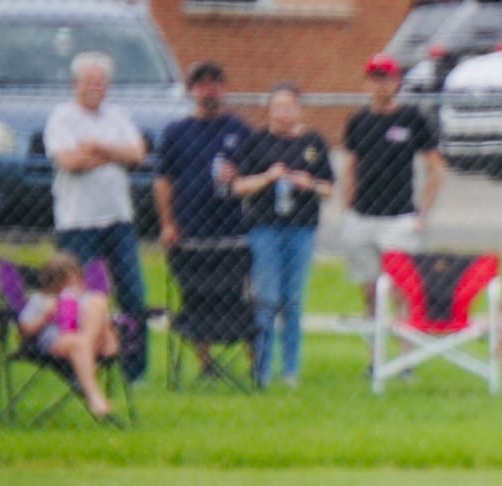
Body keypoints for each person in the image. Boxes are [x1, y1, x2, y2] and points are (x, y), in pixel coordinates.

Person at [43, 51, 148, 381]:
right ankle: (78, 363)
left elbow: (138, 155)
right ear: (76, 84)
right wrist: (115, 155)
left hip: (118, 221)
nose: (96, 88)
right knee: (77, 299)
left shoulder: (117, 116)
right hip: (77, 224)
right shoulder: (62, 117)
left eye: (101, 83)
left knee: (133, 294)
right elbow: (69, 162)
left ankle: (134, 371)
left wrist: (97, 148)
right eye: (89, 82)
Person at [232, 84, 335, 388]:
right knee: (267, 299)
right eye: (278, 107)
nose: (283, 113)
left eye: (289, 107)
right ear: (270, 109)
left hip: (301, 229)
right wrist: (267, 178)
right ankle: (262, 369)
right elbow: (239, 186)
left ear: (299, 109)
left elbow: (329, 188)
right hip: (265, 229)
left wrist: (309, 183)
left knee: (293, 299)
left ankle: (290, 369)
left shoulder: (313, 142)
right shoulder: (257, 141)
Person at [338, 53, 445, 318]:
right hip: (364, 217)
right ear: (367, 83)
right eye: (375, 78)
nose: (381, 84)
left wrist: (422, 214)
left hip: (399, 218)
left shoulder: (411, 118)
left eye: (387, 78)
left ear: (397, 82)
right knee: (370, 291)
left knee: (402, 290)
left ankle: (404, 358)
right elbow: (350, 165)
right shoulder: (358, 121)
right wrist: (347, 208)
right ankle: (375, 357)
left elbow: (437, 168)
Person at [153, 60, 251, 249]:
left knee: (231, 279)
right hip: (189, 229)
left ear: (224, 88)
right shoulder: (176, 132)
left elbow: (257, 172)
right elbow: (163, 180)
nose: (210, 90)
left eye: (215, 83)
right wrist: (167, 224)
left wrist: (238, 176)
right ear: (192, 90)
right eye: (203, 85)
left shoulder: (240, 129)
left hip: (232, 230)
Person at [16, 252, 122, 421]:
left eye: (76, 280)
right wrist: (46, 316)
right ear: (53, 284)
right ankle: (94, 396)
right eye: (66, 283)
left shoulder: (88, 299)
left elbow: (109, 330)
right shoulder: (40, 300)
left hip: (91, 343)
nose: (74, 285)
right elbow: (25, 330)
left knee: (98, 301)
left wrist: (106, 329)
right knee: (79, 344)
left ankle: (84, 374)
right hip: (59, 341)